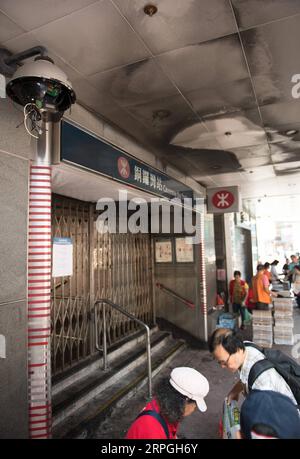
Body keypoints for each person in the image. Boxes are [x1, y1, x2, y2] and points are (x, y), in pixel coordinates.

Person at [208, 328, 297, 407]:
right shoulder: (246, 347)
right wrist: (234, 392)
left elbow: (268, 420)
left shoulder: (262, 383)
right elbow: (247, 376)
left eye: (224, 362)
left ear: (238, 350)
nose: (223, 366)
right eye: (220, 362)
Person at [125, 367, 209, 439]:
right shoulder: (152, 431)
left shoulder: (165, 406)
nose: (194, 408)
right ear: (185, 401)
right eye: (195, 405)